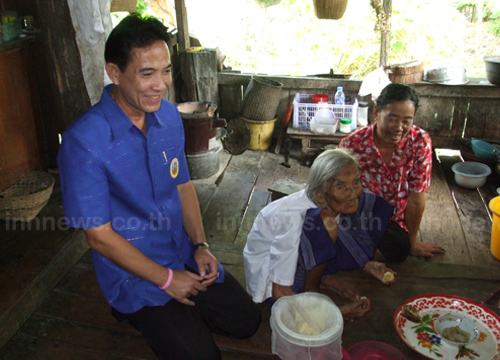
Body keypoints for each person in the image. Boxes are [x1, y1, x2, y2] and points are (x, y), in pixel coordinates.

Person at [57, 14, 260, 360]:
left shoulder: (167, 117)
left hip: (181, 253)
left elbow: (182, 187)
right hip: (134, 274)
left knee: (247, 321)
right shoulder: (83, 142)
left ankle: (176, 311)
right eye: (146, 73)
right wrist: (167, 280)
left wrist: (201, 245)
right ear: (114, 73)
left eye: (165, 71)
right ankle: (133, 309)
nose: (160, 84)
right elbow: (99, 237)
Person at [243, 149, 399, 322]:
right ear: (320, 195)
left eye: (356, 182)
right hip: (270, 280)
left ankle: (321, 278)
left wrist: (366, 264)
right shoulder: (293, 220)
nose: (352, 193)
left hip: (293, 255)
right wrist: (334, 314)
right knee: (324, 225)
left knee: (366, 203)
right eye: (340, 186)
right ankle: (312, 292)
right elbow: (281, 293)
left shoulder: (327, 202)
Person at [338, 83, 445, 258]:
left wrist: (412, 243)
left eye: (406, 121)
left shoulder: (419, 142)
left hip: (392, 222)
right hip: (358, 215)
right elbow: (337, 191)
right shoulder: (352, 145)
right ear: (376, 114)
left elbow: (416, 198)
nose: (398, 127)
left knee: (400, 246)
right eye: (392, 118)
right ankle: (355, 254)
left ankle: (354, 254)